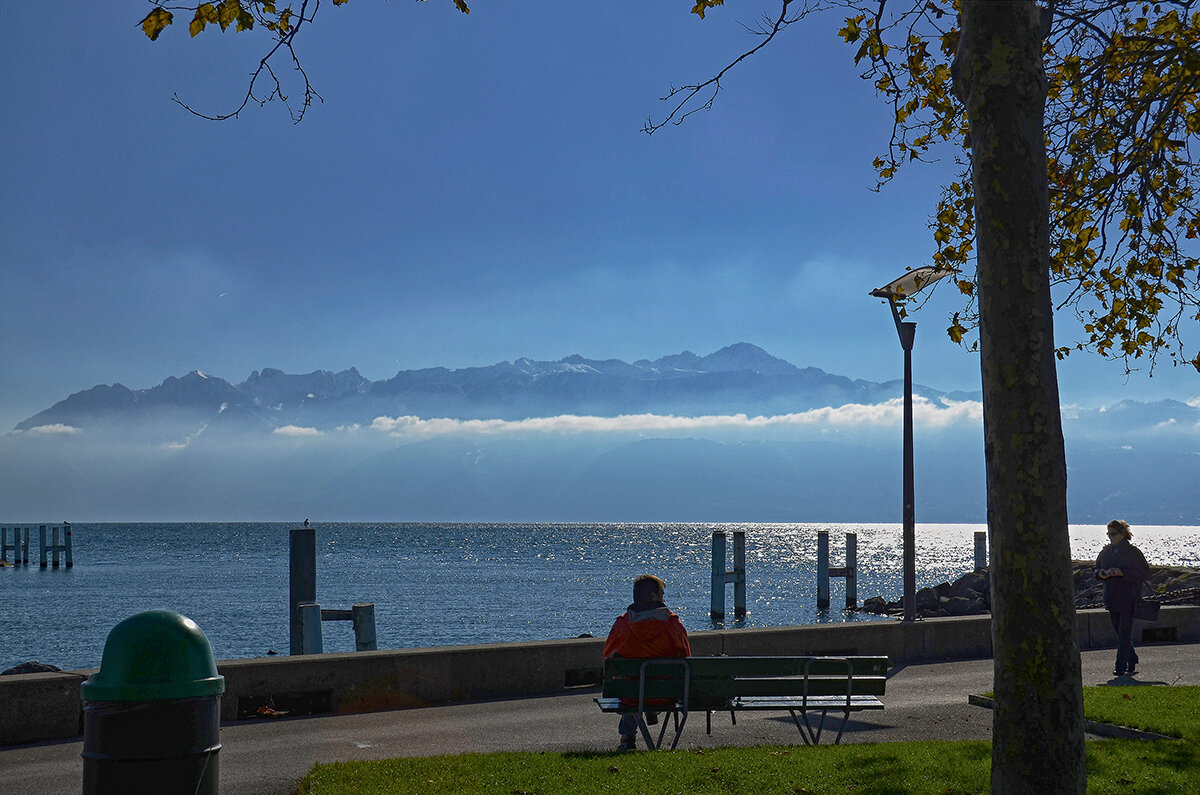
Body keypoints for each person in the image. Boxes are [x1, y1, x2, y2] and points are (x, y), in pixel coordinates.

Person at [602, 573, 691, 751]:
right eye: (661, 594)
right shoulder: (672, 623)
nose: (663, 598)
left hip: (632, 695)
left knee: (632, 685)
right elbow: (686, 655)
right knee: (646, 683)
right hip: (666, 692)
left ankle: (628, 738)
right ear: (653, 596)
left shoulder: (622, 625)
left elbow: (607, 658)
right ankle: (651, 710)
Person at [1095, 520, 1150, 676]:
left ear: (1123, 534)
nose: (1110, 537)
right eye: (1108, 534)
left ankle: (1120, 667)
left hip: (1129, 598)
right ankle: (1131, 658)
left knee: (1124, 632)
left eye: (1113, 534)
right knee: (1119, 633)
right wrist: (1100, 574)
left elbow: (1144, 574)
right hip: (1111, 598)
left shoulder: (1134, 553)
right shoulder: (1105, 552)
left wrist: (1122, 573)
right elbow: (1096, 569)